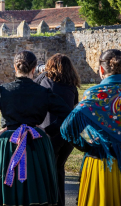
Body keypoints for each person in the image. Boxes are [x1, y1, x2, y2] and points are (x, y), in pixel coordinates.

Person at [0, 50, 71, 206]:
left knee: (7, 184)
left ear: (14, 67)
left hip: (8, 143)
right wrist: (47, 131)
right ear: (33, 69)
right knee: (35, 183)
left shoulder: (3, 90)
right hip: (36, 143)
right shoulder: (43, 92)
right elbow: (67, 113)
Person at [61, 49, 121, 206]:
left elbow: (67, 128)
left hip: (102, 165)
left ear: (101, 70)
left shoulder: (94, 94)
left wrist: (86, 146)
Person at [34, 53, 80, 206]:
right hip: (68, 135)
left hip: (52, 132)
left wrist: (43, 71)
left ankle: (50, 202)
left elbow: (34, 83)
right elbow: (74, 105)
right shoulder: (72, 85)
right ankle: (59, 202)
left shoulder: (46, 81)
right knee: (59, 169)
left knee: (48, 172)